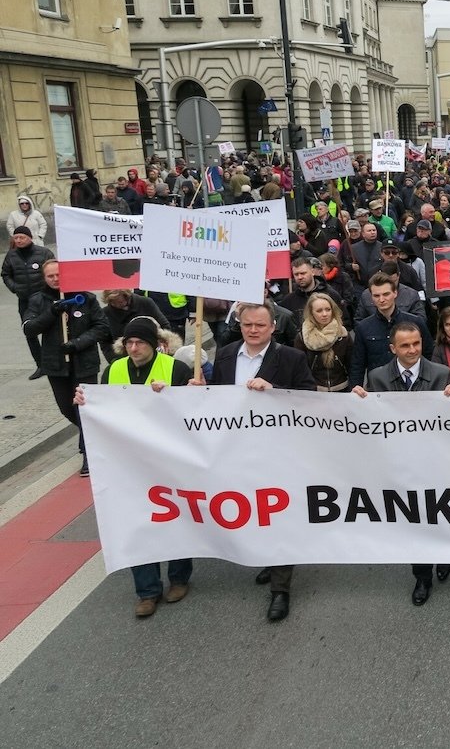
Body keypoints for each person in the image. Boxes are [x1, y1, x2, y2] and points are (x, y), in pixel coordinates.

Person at [199, 302, 316, 620]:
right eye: (247, 324)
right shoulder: (225, 354)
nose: (253, 330)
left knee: (278, 514)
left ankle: (280, 589)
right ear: (239, 323)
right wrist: (198, 393)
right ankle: (267, 557)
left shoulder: (291, 358)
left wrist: (275, 390)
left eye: (260, 325)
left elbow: (309, 399)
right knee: (252, 509)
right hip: (237, 450)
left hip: (278, 452)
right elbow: (217, 400)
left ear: (273, 326)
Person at [73, 316, 193, 617]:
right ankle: (147, 590)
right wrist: (85, 402)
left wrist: (178, 394)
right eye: (129, 342)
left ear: (154, 345)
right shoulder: (112, 370)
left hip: (169, 459)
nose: (134, 347)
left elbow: (194, 412)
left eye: (139, 342)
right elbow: (101, 409)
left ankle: (178, 577)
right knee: (137, 522)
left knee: (176, 517)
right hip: (128, 463)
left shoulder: (175, 368)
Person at [352, 321, 450, 603]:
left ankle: (444, 555)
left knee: (439, 514)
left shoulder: (441, 373)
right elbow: (368, 417)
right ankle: (421, 577)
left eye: (416, 344)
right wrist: (358, 400)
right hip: (399, 464)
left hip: (434, 462)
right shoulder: (376, 377)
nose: (413, 350)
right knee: (414, 520)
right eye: (405, 345)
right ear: (393, 349)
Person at [23, 259, 109, 475]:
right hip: (55, 365)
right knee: (67, 408)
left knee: (84, 409)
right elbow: (29, 329)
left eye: (58, 275)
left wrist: (76, 344)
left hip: (84, 363)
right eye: (50, 276)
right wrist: (52, 313)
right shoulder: (38, 300)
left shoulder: (86, 298)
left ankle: (89, 454)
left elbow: (101, 327)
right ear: (44, 278)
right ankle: (91, 436)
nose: (55, 279)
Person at [349, 273, 433, 390]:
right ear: (371, 298)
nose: (382, 299)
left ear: (395, 293)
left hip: (414, 386)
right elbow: (357, 364)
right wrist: (355, 390)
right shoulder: (363, 328)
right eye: (377, 295)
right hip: (379, 389)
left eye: (386, 294)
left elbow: (429, 355)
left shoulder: (415, 322)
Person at [4, 226, 57, 379]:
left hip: (44, 298)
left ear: (30, 238)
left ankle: (54, 361)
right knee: (29, 332)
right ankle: (40, 365)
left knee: (52, 329)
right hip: (25, 300)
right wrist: (15, 287)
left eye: (22, 237)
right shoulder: (11, 256)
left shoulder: (43, 253)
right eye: (16, 238)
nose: (19, 240)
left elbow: (54, 269)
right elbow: (6, 273)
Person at [294, 292, 353, 391]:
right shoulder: (302, 338)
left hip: (342, 391)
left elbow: (352, 366)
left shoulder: (343, 335)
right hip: (314, 392)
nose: (324, 314)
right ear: (311, 313)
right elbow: (300, 370)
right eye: (319, 311)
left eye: (328, 309)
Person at [99, 288, 170, 363]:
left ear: (127, 297)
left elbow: (165, 326)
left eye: (120, 302)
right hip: (123, 359)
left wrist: (161, 343)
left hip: (151, 355)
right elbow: (105, 342)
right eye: (112, 303)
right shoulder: (105, 313)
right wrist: (115, 360)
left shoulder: (145, 303)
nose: (117, 305)